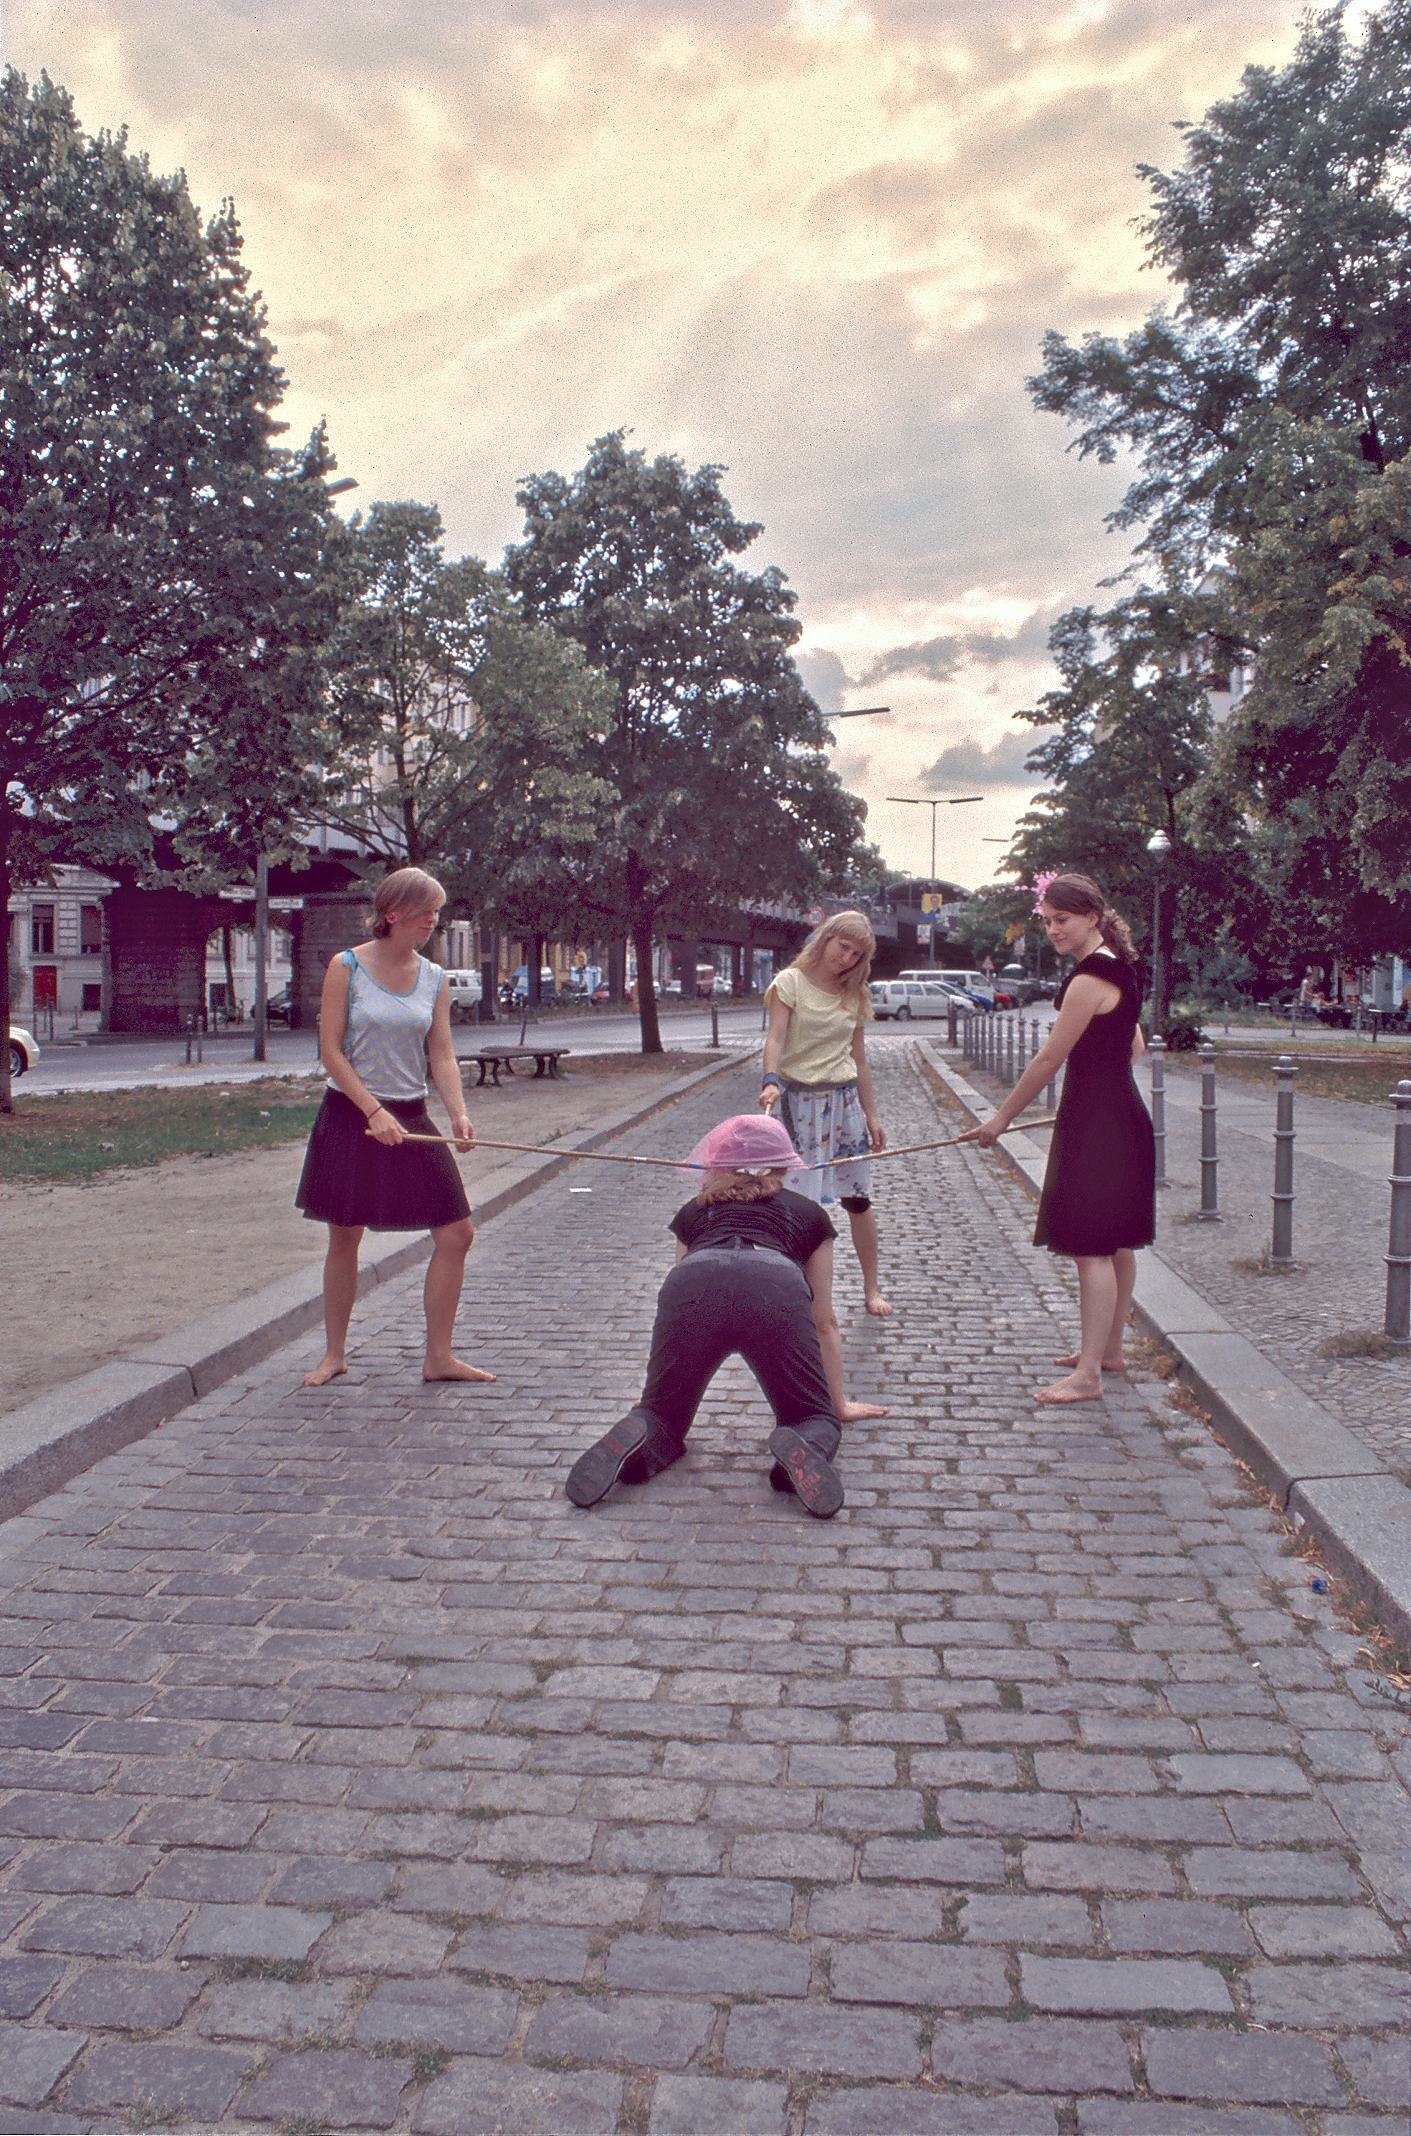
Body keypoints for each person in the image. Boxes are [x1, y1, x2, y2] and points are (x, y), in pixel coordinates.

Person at [564, 1115, 888, 1518]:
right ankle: (802, 1449)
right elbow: (824, 1320)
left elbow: (676, 1293)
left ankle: (644, 1431)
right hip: (774, 1286)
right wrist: (834, 1403)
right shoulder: (808, 1214)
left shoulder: (694, 1210)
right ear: (784, 1165)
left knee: (664, 1415)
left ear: (718, 1164)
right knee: (812, 1416)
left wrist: (655, 1393)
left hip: (694, 1282)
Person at [296, 866, 495, 1390]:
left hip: (410, 1114)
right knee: (345, 1237)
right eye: (426, 910)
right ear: (393, 913)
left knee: (457, 1233)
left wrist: (457, 1113)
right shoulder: (346, 967)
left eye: (437, 910)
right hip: (351, 1116)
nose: (434, 919)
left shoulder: (434, 978)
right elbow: (330, 1051)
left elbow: (442, 1051)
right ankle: (334, 1354)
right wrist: (371, 1110)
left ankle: (439, 1357)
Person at [966, 872, 1154, 1404]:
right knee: (1116, 1243)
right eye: (1047, 922)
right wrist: (1105, 1077)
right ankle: (1108, 1350)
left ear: (1092, 917)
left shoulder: (1088, 979)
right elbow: (1134, 1044)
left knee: (1091, 1248)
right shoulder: (1122, 968)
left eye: (1061, 920)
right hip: (1121, 1117)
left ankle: (1089, 1375)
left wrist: (1000, 1118)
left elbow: (1049, 1058)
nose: (1052, 930)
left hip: (1097, 1126)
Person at [759, 911, 891, 1316]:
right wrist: (769, 1079)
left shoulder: (855, 994)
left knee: (858, 1201)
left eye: (857, 953)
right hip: (798, 1106)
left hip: (844, 1104)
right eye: (843, 946)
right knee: (794, 1202)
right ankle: (793, 1289)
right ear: (826, 938)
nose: (847, 957)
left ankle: (872, 1288)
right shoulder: (789, 983)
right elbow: (776, 1038)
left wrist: (872, 1115)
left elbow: (860, 1060)